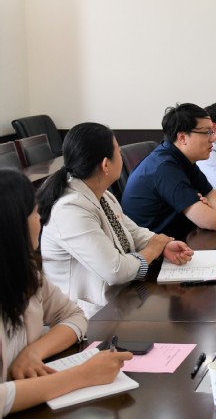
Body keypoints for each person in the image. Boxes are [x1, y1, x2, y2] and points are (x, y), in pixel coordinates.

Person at [0, 168, 132, 416]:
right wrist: (82, 375)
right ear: (13, 225)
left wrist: (33, 352)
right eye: (34, 213)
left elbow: (73, 315)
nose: (39, 220)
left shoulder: (26, 274)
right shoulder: (71, 207)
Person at [37, 123, 194, 318]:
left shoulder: (102, 195)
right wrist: (153, 249)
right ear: (105, 165)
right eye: (118, 152)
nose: (121, 156)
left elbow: (133, 232)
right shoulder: (70, 209)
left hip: (120, 300)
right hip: (86, 317)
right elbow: (115, 270)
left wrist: (163, 245)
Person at [122, 103, 216, 239]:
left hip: (180, 238)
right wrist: (215, 206)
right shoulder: (164, 168)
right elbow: (213, 221)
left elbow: (213, 194)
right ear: (182, 137)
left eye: (212, 132)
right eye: (206, 132)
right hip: (156, 247)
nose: (213, 139)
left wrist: (211, 204)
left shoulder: (184, 159)